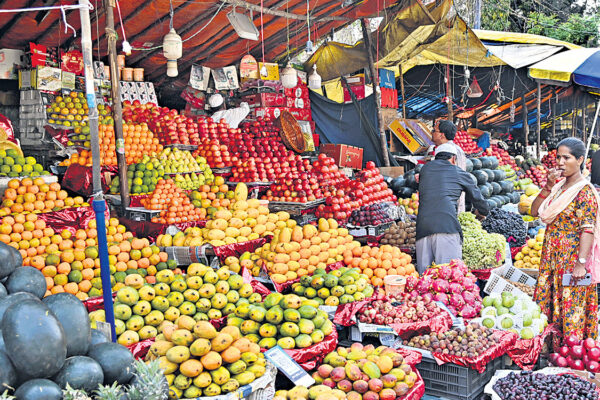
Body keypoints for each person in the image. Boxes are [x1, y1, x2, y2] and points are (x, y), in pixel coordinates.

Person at [532, 137, 600, 341]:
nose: (560, 162)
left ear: (580, 160)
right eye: (558, 157)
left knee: (571, 306)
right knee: (549, 302)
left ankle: (571, 351)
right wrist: (547, 186)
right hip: (551, 256)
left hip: (570, 259)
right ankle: (549, 350)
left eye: (566, 158)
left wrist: (581, 263)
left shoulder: (584, 192)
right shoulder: (557, 187)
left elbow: (587, 230)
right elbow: (535, 211)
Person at [415, 143, 490, 274]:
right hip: (447, 228)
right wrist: (482, 212)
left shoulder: (424, 170)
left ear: (435, 157)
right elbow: (479, 200)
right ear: (454, 159)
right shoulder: (458, 172)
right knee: (448, 278)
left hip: (422, 229)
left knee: (424, 280)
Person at [432, 119, 467, 213]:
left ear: (442, 135)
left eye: (434, 131)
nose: (432, 133)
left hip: (450, 203)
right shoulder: (446, 149)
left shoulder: (451, 152)